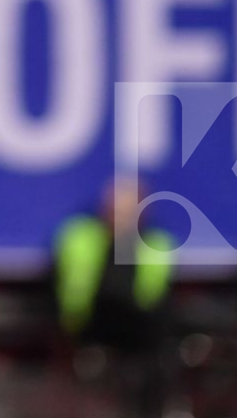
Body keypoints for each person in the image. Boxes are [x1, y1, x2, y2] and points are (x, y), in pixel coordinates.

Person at [51, 176, 174, 418]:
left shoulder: (156, 243)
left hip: (137, 328)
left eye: (129, 210)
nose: (121, 217)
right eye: (117, 208)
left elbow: (151, 297)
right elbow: (66, 288)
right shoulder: (79, 236)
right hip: (86, 322)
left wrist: (126, 244)